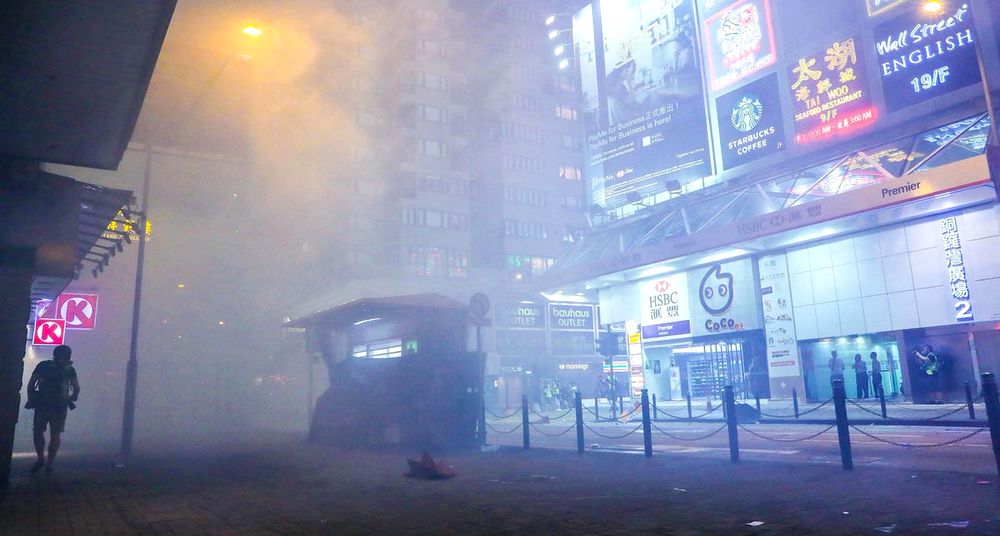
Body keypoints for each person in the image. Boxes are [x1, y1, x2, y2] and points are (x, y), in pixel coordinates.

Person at [25, 344, 80, 473]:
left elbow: (31, 384)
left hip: (42, 405)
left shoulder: (43, 366)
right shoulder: (69, 370)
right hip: (60, 407)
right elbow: (76, 388)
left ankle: (40, 458)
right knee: (55, 435)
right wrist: (72, 398)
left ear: (54, 354)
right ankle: (49, 463)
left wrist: (32, 399)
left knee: (38, 432)